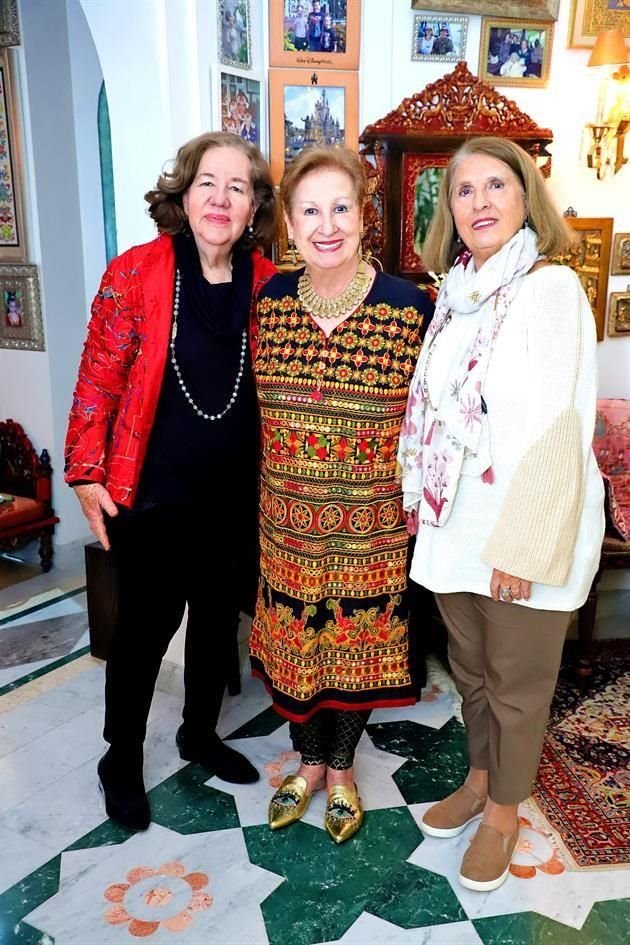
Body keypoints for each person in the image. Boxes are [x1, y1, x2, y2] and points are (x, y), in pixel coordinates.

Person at [398, 136, 605, 891]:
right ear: (448, 210)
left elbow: (559, 424)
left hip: (521, 529)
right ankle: (481, 780)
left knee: (517, 683)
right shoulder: (456, 293)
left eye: (496, 185)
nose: (479, 202)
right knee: (473, 673)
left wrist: (524, 546)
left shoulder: (548, 289)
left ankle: (504, 813)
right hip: (458, 524)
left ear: (525, 198)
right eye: (463, 190)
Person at [65, 132, 278, 832]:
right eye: (207, 183)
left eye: (237, 186)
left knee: (218, 626)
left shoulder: (269, 284)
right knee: (143, 633)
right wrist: (85, 473)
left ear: (254, 206)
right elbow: (97, 379)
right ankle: (119, 756)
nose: (221, 198)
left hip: (233, 498)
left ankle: (198, 732)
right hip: (150, 496)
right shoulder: (138, 272)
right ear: (182, 195)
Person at [249, 147, 434, 843]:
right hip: (286, 518)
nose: (326, 225)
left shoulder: (408, 308)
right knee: (297, 642)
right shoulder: (269, 305)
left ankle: (344, 768)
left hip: (371, 524)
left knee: (354, 643)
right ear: (290, 227)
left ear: (363, 217)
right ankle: (308, 760)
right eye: (310, 211)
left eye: (340, 208)